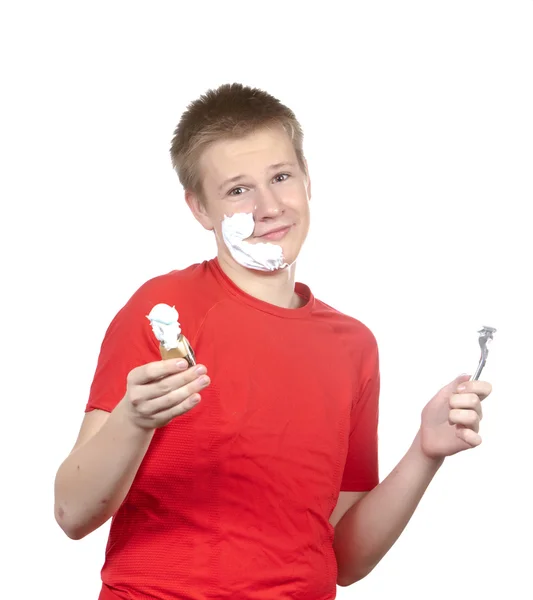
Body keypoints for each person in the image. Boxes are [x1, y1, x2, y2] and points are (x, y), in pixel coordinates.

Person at [54, 83, 493, 600]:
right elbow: (71, 514)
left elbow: (344, 560)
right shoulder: (162, 311)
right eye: (238, 190)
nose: (268, 206)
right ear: (199, 209)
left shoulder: (353, 346)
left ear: (308, 182)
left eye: (281, 177)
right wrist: (133, 420)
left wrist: (425, 452)